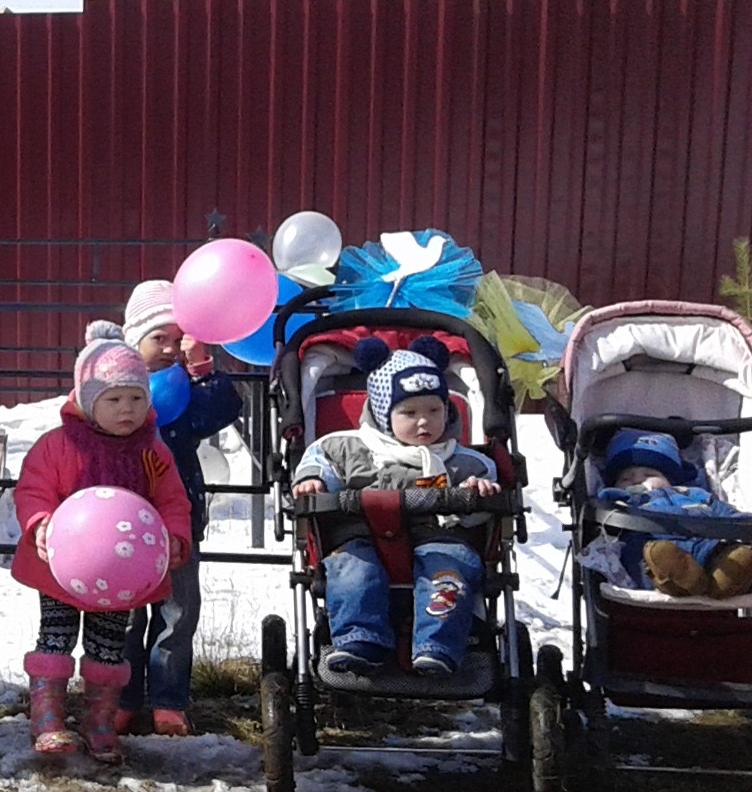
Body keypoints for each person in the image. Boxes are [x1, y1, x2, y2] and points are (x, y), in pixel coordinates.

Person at [11, 324, 195, 762]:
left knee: (109, 647)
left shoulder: (153, 452)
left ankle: (101, 723)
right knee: (55, 638)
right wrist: (39, 524)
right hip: (58, 569)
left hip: (122, 577)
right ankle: (48, 719)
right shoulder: (57, 447)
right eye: (113, 399)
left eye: (136, 398)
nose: (126, 409)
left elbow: (172, 501)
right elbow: (32, 490)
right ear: (88, 401)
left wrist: (174, 539)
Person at [290, 336, 502, 677]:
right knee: (353, 571)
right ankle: (360, 638)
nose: (424, 422)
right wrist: (314, 481)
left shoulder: (462, 460)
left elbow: (482, 509)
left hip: (438, 539)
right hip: (361, 538)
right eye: (409, 412)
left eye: (434, 410)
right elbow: (318, 462)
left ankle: (438, 647)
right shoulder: (346, 447)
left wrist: (477, 492)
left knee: (450, 573)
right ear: (382, 412)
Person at [119, 279, 243, 737]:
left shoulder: (187, 390)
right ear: (135, 340)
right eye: (159, 339)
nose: (171, 349)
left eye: (178, 339)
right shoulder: (115, 388)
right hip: (121, 525)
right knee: (126, 616)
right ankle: (124, 698)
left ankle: (169, 701)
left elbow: (221, 411)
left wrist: (204, 368)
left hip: (180, 522)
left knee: (177, 613)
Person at [594, 427, 752, 598]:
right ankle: (684, 581)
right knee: (658, 556)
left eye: (649, 474)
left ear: (669, 479)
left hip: (704, 545)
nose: (637, 480)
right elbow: (605, 517)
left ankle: (723, 582)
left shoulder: (694, 494)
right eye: (625, 478)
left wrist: (745, 523)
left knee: (734, 556)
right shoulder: (626, 501)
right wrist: (617, 500)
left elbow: (723, 511)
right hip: (655, 550)